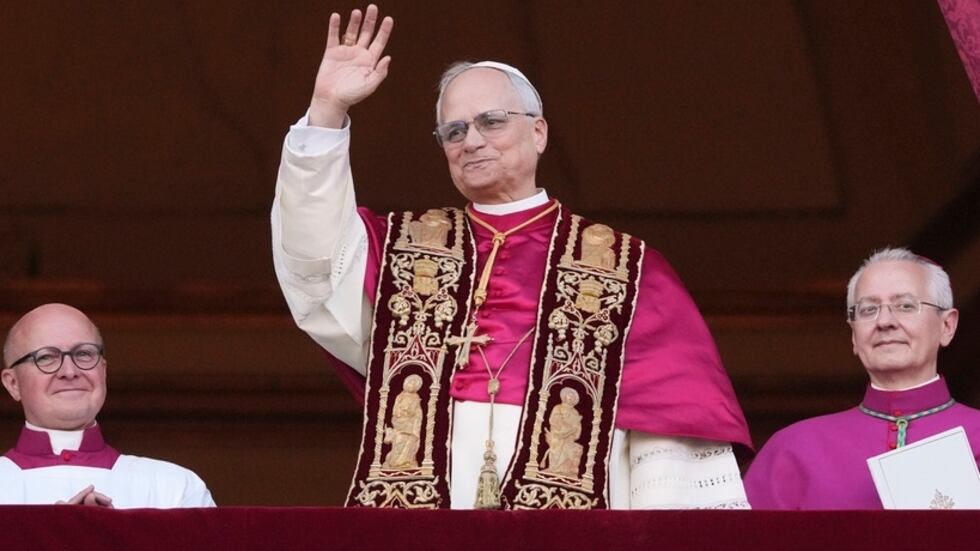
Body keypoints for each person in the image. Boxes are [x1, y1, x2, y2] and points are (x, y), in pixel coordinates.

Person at [272, 4, 752, 509]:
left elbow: (670, 440)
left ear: (538, 132)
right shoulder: (404, 251)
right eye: (454, 131)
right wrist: (326, 112)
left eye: (492, 121)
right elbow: (315, 257)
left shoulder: (627, 269)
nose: (472, 141)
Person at [744, 247, 980, 509]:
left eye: (905, 306)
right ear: (854, 336)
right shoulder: (793, 449)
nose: (885, 321)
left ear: (947, 326)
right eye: (868, 310)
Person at [0, 303, 215, 508]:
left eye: (83, 354)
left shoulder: (174, 488)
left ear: (103, 371)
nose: (69, 371)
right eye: (46, 357)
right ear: (13, 383)